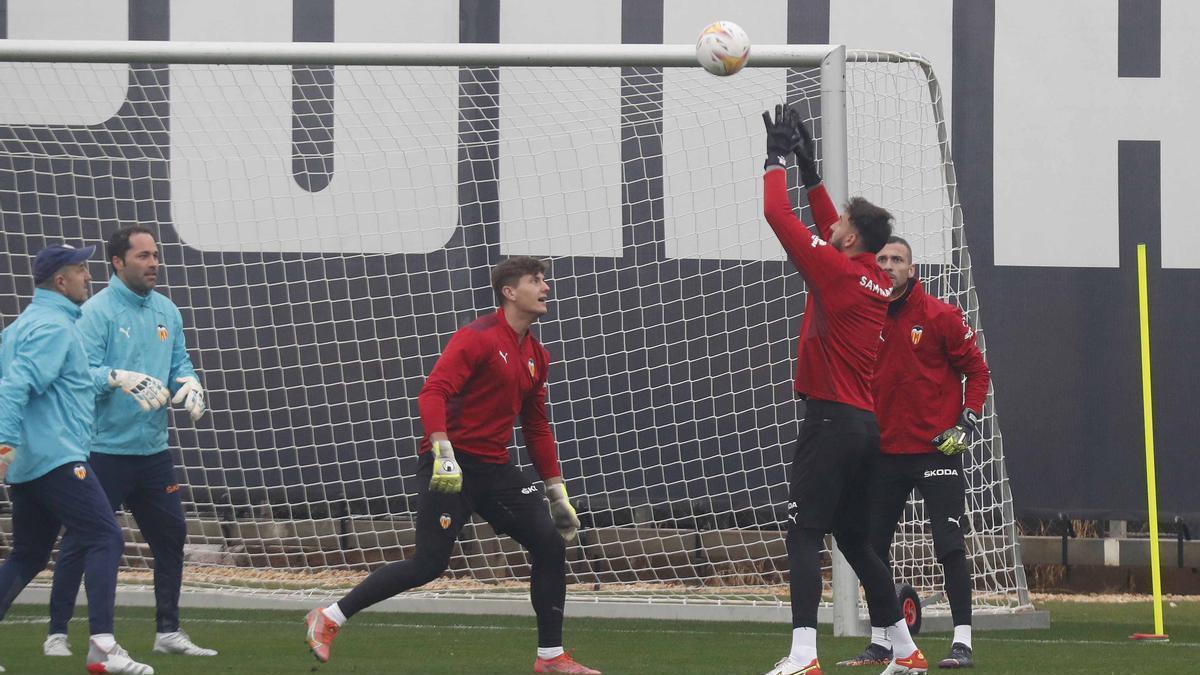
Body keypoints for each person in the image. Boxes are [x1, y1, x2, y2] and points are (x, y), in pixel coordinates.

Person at [304, 256, 600, 674]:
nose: (546, 288)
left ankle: (550, 657)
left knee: (551, 543)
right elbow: (433, 393)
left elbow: (536, 427)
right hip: (449, 466)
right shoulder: (476, 337)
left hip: (495, 469)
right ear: (510, 291)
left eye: (545, 281)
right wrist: (443, 452)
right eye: (537, 281)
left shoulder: (537, 354)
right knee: (429, 564)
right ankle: (329, 617)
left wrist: (557, 492)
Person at [760, 105, 928, 675]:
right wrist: (812, 172)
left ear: (850, 235)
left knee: (804, 532)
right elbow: (832, 222)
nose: (831, 226)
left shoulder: (835, 270)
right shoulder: (874, 276)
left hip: (830, 422)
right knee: (855, 541)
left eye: (840, 224)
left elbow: (775, 215)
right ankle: (905, 653)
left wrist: (774, 160)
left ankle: (804, 655)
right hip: (864, 427)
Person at [45, 226, 216, 659]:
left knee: (172, 535)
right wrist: (118, 378)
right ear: (118, 263)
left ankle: (168, 632)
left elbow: (180, 360)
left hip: (153, 451)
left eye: (155, 255)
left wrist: (190, 382)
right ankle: (57, 632)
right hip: (103, 449)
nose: (153, 263)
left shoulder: (167, 311)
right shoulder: (96, 312)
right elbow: (79, 373)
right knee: (84, 538)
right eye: (142, 256)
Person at [0, 243, 159, 675]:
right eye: (81, 269)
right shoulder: (54, 327)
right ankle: (103, 649)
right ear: (61, 280)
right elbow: (15, 387)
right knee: (106, 537)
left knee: (29, 556)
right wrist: (4, 442)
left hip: (30, 464)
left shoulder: (21, 327)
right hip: (55, 458)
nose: (89, 276)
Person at [838, 237, 989, 670]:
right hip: (884, 453)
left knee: (948, 545)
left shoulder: (940, 316)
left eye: (896, 259)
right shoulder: (863, 316)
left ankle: (962, 641)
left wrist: (966, 422)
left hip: (936, 453)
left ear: (911, 268)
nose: (888, 265)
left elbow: (977, 371)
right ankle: (884, 640)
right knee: (871, 547)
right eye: (882, 258)